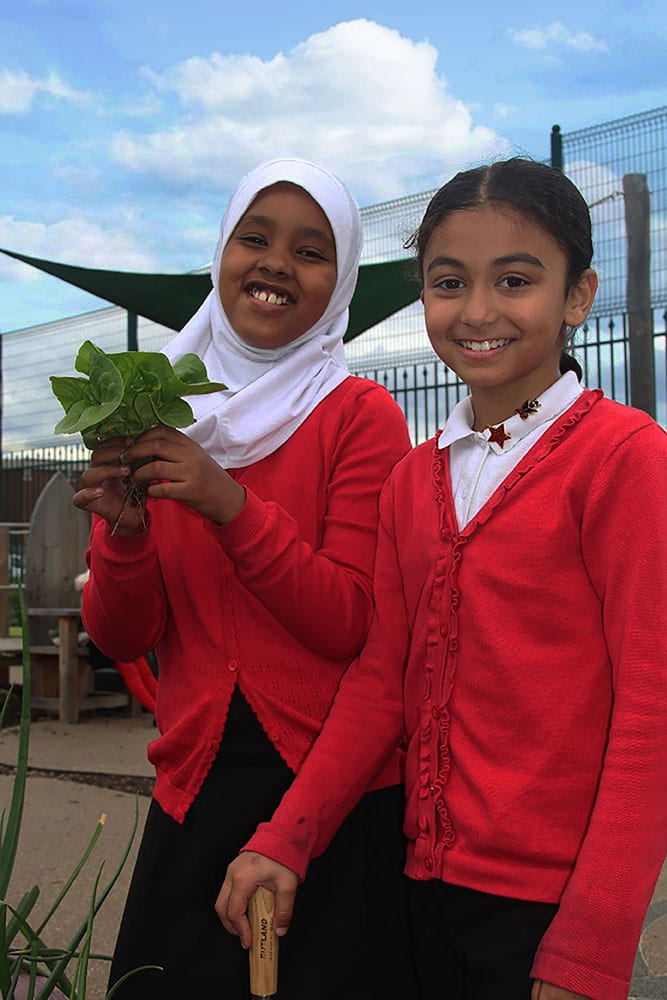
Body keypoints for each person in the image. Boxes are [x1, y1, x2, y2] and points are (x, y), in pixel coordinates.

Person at [218, 158, 667, 1000]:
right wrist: (286, 837)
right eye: (449, 282)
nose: (479, 311)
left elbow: (653, 709)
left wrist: (592, 942)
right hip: (420, 888)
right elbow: (380, 681)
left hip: (550, 916)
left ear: (577, 297)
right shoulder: (410, 483)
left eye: (515, 280)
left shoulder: (625, 461)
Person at [73, 158, 418, 999]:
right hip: (195, 788)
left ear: (337, 286)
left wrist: (229, 504)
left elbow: (349, 622)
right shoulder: (156, 414)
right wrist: (122, 537)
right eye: (253, 239)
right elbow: (121, 637)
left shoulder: (357, 415)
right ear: (220, 253)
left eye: (310, 251)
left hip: (330, 797)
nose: (274, 263)